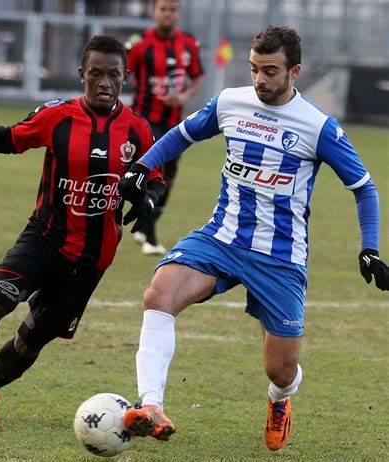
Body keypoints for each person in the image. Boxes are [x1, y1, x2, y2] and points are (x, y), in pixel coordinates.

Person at [118, 26, 389, 450]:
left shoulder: (318, 126)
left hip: (280, 258)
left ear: (294, 71)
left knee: (279, 370)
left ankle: (281, 399)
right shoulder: (231, 102)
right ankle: (150, 405)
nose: (260, 79)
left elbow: (364, 187)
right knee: (159, 294)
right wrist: (143, 166)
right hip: (220, 239)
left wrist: (370, 247)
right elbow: (182, 135)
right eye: (254, 69)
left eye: (271, 71)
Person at [0, 35, 165, 423]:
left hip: (91, 261)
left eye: (113, 75)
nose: (104, 82)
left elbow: (156, 178)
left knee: (29, 343)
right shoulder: (58, 115)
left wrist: (149, 201)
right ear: (82, 74)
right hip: (44, 238)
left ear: (125, 78)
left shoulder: (138, 130)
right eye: (95, 74)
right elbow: (13, 139)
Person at [126, 0, 205, 255]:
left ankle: (146, 224)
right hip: (145, 120)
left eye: (172, 9)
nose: (167, 14)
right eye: (163, 9)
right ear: (155, 12)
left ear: (178, 13)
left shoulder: (188, 44)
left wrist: (184, 96)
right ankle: (149, 236)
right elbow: (122, 72)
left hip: (174, 123)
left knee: (169, 173)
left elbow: (198, 76)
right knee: (154, 170)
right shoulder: (140, 44)